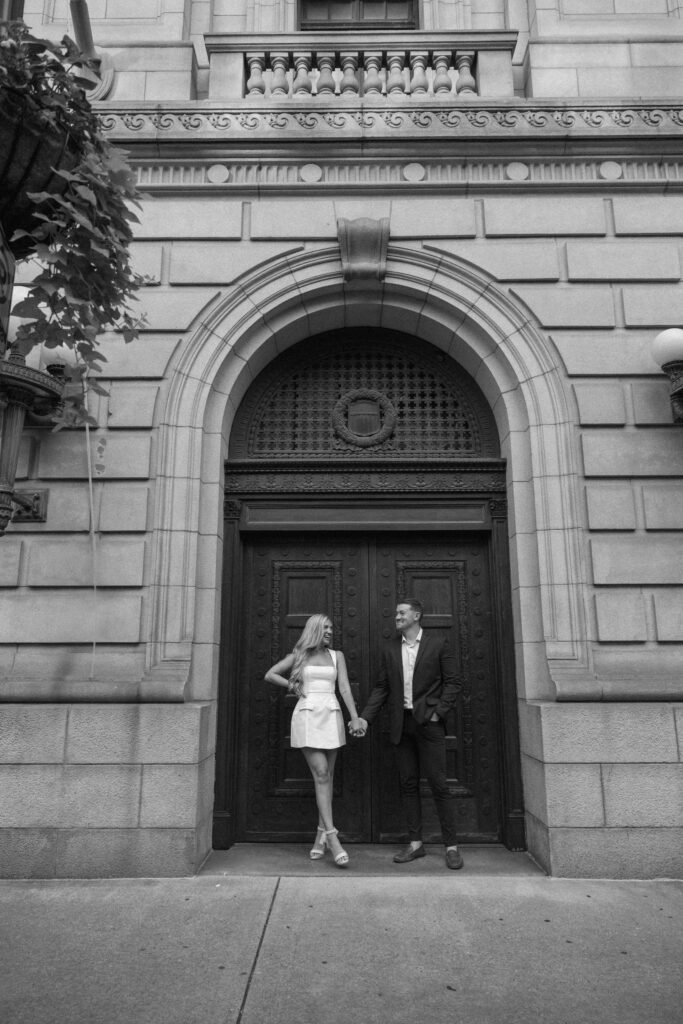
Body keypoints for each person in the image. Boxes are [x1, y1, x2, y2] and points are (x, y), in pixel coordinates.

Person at [353, 598, 464, 870]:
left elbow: (453, 682)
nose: (397, 616)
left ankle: (451, 847)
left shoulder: (438, 644)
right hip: (401, 725)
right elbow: (382, 688)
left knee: (439, 784)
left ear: (417, 615)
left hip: (429, 724)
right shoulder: (390, 648)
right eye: (396, 613)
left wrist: (438, 713)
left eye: (402, 612)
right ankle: (415, 844)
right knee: (408, 784)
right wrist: (365, 718)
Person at [265, 613, 365, 867]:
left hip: (331, 715)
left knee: (327, 777)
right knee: (321, 773)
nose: (330, 631)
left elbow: (344, 687)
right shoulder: (299, 654)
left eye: (331, 627)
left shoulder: (337, 656)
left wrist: (355, 717)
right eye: (325, 627)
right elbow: (270, 674)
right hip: (307, 716)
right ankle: (332, 837)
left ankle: (320, 835)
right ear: (315, 629)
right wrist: (293, 686)